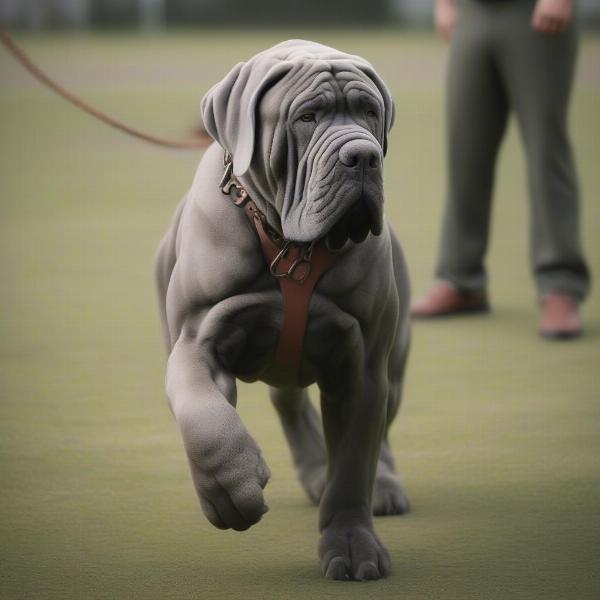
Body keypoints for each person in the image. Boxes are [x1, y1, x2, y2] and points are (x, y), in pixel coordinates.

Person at [412, 0, 590, 339]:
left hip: (534, 12)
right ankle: (461, 279)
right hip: (473, 13)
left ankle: (560, 284)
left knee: (545, 148)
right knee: (465, 149)